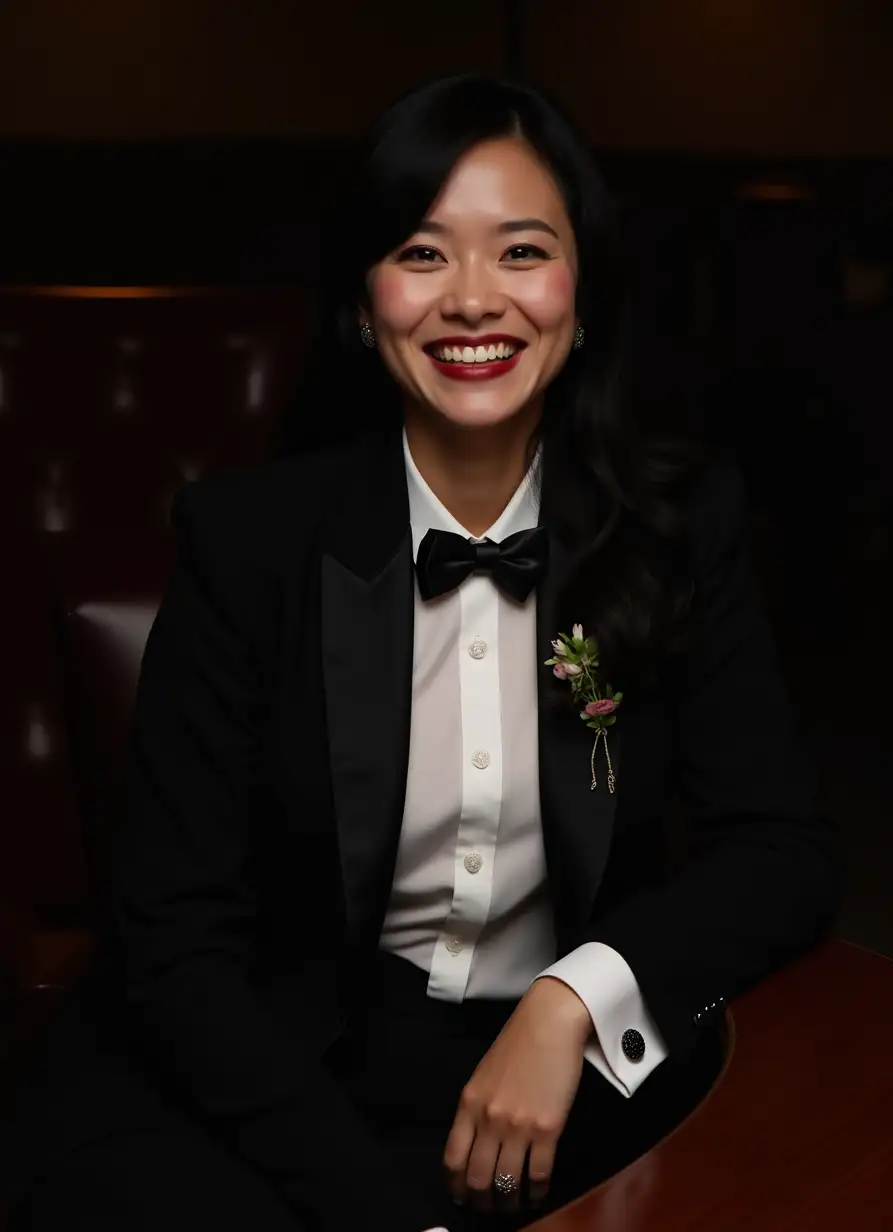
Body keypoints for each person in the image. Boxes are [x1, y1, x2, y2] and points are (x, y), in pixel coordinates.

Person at [0, 73, 844, 1232]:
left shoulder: (676, 527)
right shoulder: (249, 542)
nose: (472, 299)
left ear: (581, 293)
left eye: (520, 251)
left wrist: (573, 997)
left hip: (555, 1075)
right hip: (262, 1074)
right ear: (364, 300)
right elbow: (177, 945)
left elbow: (782, 852)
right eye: (422, 252)